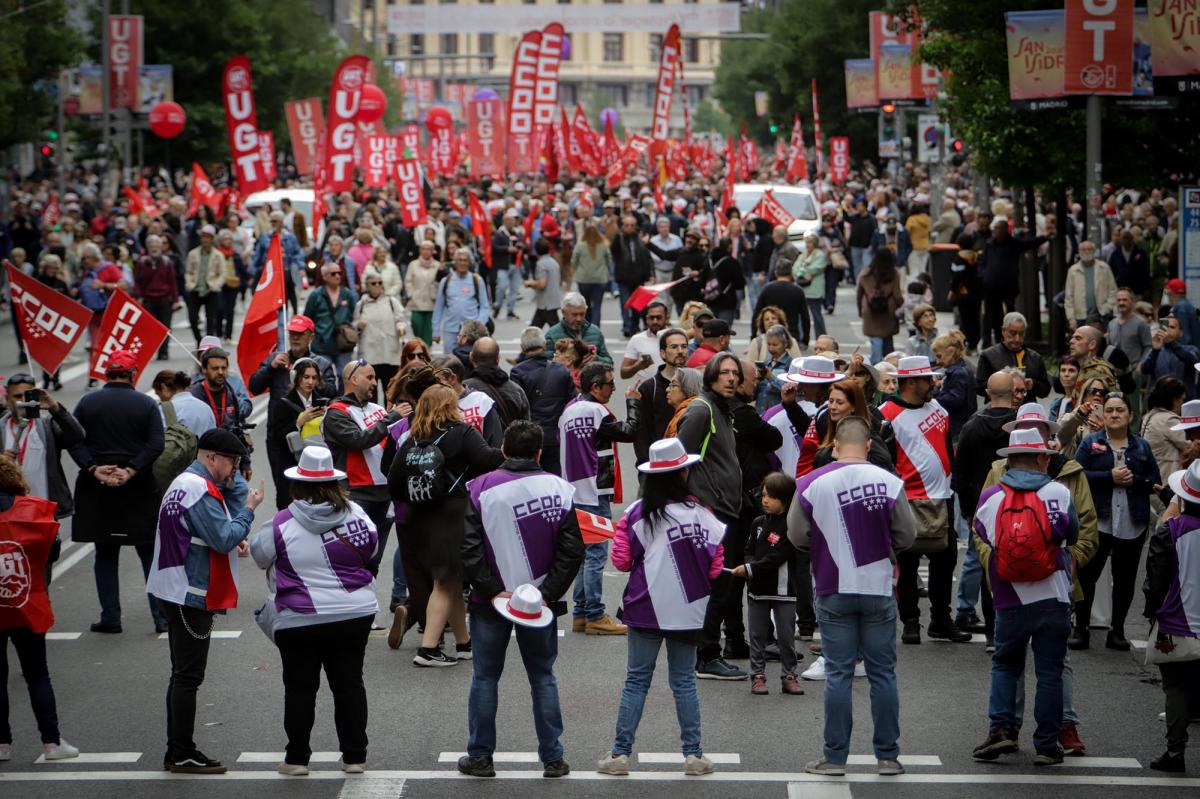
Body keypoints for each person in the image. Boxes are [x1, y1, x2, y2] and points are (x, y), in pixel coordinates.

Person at [789, 416, 916, 777]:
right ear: (870, 446)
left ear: (834, 446)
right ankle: (888, 757)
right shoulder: (890, 482)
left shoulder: (811, 482)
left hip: (832, 584)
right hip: (877, 586)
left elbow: (797, 534)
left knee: (839, 674)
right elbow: (907, 535)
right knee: (883, 674)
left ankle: (834, 757)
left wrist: (822, 550)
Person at [458, 421, 584, 779]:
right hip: (538, 605)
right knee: (543, 676)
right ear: (540, 453)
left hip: (490, 601)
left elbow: (468, 549)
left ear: (503, 450)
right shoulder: (561, 489)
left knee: (485, 677)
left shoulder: (480, 487)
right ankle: (553, 758)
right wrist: (545, 594)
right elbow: (572, 550)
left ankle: (480, 757)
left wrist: (489, 588)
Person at [597, 437, 725, 778]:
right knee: (684, 681)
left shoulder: (638, 514)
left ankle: (620, 755)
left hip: (645, 607)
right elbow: (715, 567)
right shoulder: (702, 513)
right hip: (689, 609)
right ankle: (694, 755)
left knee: (636, 681)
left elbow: (622, 561)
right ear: (683, 473)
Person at [250, 445, 378, 777]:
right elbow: (372, 548)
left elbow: (260, 555)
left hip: (299, 616)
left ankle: (296, 759)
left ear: (298, 484)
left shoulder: (282, 522)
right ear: (336, 483)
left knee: (300, 688)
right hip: (354, 612)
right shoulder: (358, 514)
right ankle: (354, 756)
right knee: (349, 683)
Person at [147, 429, 263, 774]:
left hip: (175, 586)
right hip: (188, 591)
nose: (235, 470)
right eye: (232, 462)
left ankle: (178, 750)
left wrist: (231, 533)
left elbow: (202, 532)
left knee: (181, 675)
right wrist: (248, 511)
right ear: (212, 457)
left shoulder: (186, 482)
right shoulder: (200, 489)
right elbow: (223, 537)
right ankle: (181, 752)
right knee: (188, 676)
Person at [970, 427, 1079, 767]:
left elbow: (983, 533)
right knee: (1049, 670)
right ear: (1041, 458)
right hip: (1054, 593)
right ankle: (1047, 744)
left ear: (1010, 460)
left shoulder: (992, 497)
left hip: (1008, 594)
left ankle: (1001, 728)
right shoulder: (1058, 492)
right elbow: (1071, 533)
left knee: (1005, 664)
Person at [388, 385, 503, 667]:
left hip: (419, 517)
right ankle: (428, 649)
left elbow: (392, 479)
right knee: (444, 582)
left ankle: (464, 644)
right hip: (452, 515)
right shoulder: (461, 432)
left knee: (451, 579)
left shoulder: (413, 438)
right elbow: (488, 460)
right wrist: (508, 451)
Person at [68, 350, 168, 634]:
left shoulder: (88, 402)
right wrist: (132, 469)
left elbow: (73, 440)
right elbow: (156, 444)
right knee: (148, 552)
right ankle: (160, 618)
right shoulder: (146, 404)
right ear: (133, 374)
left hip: (97, 489)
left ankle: (111, 617)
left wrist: (93, 468)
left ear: (106, 374)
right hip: (137, 489)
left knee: (105, 553)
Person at [879, 355, 970, 644]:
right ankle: (910, 622)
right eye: (927, 378)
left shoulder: (938, 409)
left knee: (945, 561)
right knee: (907, 563)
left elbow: (947, 450)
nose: (933, 383)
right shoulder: (886, 414)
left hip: (943, 497)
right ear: (911, 382)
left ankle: (941, 620)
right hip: (907, 499)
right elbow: (884, 461)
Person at [0, 454, 79, 763]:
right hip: (26, 603)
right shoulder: (33, 511)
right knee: (37, 674)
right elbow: (52, 549)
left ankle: (2, 744)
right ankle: (51, 742)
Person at [675, 354, 748, 679]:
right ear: (711, 377)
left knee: (721, 584)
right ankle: (706, 655)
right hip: (709, 511)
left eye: (735, 373)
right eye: (724, 373)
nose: (731, 378)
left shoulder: (722, 409)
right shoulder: (701, 410)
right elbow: (678, 460)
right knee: (717, 584)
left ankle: (704, 651)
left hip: (725, 509)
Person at [1073, 392, 1161, 650]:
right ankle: (1081, 628)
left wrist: (1134, 480)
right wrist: (1107, 477)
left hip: (1132, 523)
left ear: (1130, 416)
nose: (1113, 415)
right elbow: (1077, 476)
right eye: (1109, 410)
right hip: (1098, 521)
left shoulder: (1141, 446)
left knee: (1125, 580)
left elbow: (1153, 482)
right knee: (1087, 577)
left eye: (1119, 410)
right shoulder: (1090, 443)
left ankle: (1117, 631)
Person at [560, 362, 640, 635]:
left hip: (574, 490)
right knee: (595, 555)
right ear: (595, 386)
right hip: (594, 491)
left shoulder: (569, 410)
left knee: (585, 554)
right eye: (609, 383)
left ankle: (582, 613)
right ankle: (594, 614)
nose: (614, 388)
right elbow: (630, 432)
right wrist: (632, 403)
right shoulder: (597, 412)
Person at [1142, 460, 1200, 773]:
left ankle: (1175, 752)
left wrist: (1152, 613)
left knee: (1175, 687)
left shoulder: (1171, 531)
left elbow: (1155, 581)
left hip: (1174, 623)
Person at [323, 359, 403, 582]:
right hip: (356, 494)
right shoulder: (336, 413)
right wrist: (392, 419)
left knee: (374, 559)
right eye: (369, 378)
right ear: (353, 379)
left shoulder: (378, 410)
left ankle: (367, 611)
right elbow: (358, 440)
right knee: (353, 557)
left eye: (374, 378)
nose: (374, 383)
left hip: (384, 493)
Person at [952, 371, 1018, 634]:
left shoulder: (972, 426)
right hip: (1016, 502)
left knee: (975, 557)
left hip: (980, 504)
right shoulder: (1020, 426)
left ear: (988, 393)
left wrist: (968, 510)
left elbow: (961, 471)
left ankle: (965, 610)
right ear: (1014, 393)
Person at [249, 315, 339, 508]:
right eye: (292, 334)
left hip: (314, 439)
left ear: (311, 337)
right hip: (279, 436)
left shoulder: (321, 363)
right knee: (285, 489)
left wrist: (313, 381)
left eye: (300, 334)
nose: (295, 338)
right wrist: (271, 368)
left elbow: (333, 393)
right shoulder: (277, 358)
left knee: (316, 489)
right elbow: (254, 386)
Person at [732, 471, 804, 696]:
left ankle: (789, 675)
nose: (765, 500)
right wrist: (748, 565)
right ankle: (758, 676)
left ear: (785, 499)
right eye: (763, 495)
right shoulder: (757, 523)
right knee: (757, 636)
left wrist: (751, 568)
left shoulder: (792, 527)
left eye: (771, 496)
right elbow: (749, 551)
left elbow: (778, 556)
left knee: (785, 637)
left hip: (784, 592)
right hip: (757, 592)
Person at [0, 375, 85, 537]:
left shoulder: (48, 426)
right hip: (7, 513)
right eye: (17, 396)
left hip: (43, 511)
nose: (23, 400)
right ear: (7, 399)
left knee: (45, 560)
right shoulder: (1, 428)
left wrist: (55, 408)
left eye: (28, 395)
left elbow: (77, 437)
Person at [511, 327, 576, 477]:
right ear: (545, 344)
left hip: (529, 438)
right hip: (557, 436)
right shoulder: (562, 371)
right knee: (555, 479)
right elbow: (572, 403)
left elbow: (516, 406)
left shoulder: (517, 372)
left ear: (522, 348)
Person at [974, 312, 1052, 400]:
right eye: (1013, 333)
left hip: (1026, 409)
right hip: (999, 409)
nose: (1017, 338)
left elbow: (1045, 390)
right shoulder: (988, 356)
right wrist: (1002, 383)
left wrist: (1033, 384)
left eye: (1021, 334)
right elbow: (979, 388)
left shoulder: (1035, 357)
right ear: (1003, 331)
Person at [354, 270, 406, 401]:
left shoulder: (392, 302)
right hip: (370, 354)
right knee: (370, 392)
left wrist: (401, 325)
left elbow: (402, 318)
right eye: (373, 283)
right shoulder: (361, 304)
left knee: (391, 391)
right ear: (367, 286)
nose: (377, 285)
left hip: (390, 353)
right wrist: (357, 325)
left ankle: (392, 418)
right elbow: (353, 325)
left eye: (380, 283)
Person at [432, 249, 491, 356]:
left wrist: (477, 325)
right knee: (450, 362)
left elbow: (484, 307)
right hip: (450, 329)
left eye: (465, 260)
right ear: (454, 261)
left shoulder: (477, 280)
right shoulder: (446, 281)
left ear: (469, 262)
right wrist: (435, 331)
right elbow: (438, 307)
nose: (462, 263)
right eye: (459, 260)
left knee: (470, 361)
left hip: (470, 333)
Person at [304, 262, 357, 376]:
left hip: (343, 344)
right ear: (324, 276)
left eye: (339, 273)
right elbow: (307, 318)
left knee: (346, 376)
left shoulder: (347, 294)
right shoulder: (316, 295)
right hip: (321, 345)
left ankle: (342, 395)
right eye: (333, 273)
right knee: (323, 378)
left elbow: (354, 314)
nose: (337, 276)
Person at [465, 337, 531, 428]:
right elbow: (526, 426)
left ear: (471, 357)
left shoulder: (464, 390)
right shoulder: (516, 390)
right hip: (508, 441)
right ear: (498, 358)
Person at [135, 234, 179, 360]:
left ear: (161, 247)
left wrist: (175, 300)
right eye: (151, 245)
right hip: (148, 299)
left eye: (157, 245)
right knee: (150, 328)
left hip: (165, 298)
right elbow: (137, 281)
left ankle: (163, 351)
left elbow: (173, 282)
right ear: (147, 247)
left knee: (165, 327)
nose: (154, 248)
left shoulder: (167, 262)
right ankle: (151, 350)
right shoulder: (142, 262)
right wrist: (139, 296)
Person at [857, 248, 905, 364]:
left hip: (870, 311)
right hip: (888, 311)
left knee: (876, 340)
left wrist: (861, 310)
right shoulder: (893, 274)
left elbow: (859, 294)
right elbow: (897, 295)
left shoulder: (866, 274)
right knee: (888, 341)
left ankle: (876, 367)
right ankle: (890, 366)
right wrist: (901, 307)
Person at [252, 210, 305, 315]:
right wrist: (253, 273)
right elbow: (257, 256)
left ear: (281, 222)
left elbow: (297, 253)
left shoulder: (290, 237)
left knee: (288, 294)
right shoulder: (265, 237)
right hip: (270, 274)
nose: (273, 224)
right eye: (271, 221)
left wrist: (301, 267)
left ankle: (293, 313)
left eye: (275, 221)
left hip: (285, 271)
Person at [183, 225, 226, 348]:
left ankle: (208, 344)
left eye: (208, 237)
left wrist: (216, 285)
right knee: (192, 318)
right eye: (203, 237)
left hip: (211, 290)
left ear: (212, 239)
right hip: (195, 290)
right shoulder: (193, 254)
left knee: (210, 319)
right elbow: (188, 271)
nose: (205, 240)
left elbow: (222, 273)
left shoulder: (218, 255)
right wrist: (190, 283)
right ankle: (198, 339)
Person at [1142, 377, 1189, 487]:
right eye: (1182, 400)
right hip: (1167, 482)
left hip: (1155, 480)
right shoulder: (1169, 420)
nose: (1183, 403)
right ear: (1174, 399)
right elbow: (1191, 445)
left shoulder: (1150, 415)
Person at [611, 215, 653, 337]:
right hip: (624, 278)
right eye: (627, 225)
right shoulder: (619, 239)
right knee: (625, 303)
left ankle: (634, 325)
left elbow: (646, 258)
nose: (629, 228)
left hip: (638, 278)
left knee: (638, 304)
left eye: (632, 225)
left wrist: (649, 274)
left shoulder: (640, 240)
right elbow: (613, 250)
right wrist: (618, 236)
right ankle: (627, 326)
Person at [1141, 314, 1200, 399]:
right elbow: (1145, 370)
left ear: (1181, 333)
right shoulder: (1155, 350)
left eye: (1172, 327)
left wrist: (1171, 343)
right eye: (1165, 327)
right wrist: (1155, 350)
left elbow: (1193, 362)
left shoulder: (1190, 349)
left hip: (1184, 400)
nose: (1167, 330)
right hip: (1161, 401)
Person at [545, 292, 613, 366]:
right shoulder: (552, 335)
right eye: (574, 315)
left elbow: (609, 362)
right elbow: (546, 364)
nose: (579, 319)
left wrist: (597, 359)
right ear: (563, 312)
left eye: (582, 314)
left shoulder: (595, 332)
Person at [1063, 240, 1117, 331]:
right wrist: (1071, 319)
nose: (1086, 252)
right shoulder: (1073, 270)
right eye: (1083, 250)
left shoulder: (1104, 267)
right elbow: (1069, 297)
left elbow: (1113, 290)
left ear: (1094, 251)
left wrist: (1107, 308)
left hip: (1102, 314)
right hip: (1080, 317)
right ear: (1079, 252)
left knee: (1102, 342)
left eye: (1089, 249)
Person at [932, 333, 977, 442]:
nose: (938, 361)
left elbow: (953, 400)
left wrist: (934, 391)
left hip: (958, 428)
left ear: (951, 352)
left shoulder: (958, 373)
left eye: (939, 356)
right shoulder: (960, 370)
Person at [572, 222, 614, 326]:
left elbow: (574, 261)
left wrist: (575, 270)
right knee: (597, 305)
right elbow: (609, 260)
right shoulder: (603, 245)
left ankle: (587, 324)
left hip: (583, 279)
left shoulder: (580, 245)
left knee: (586, 305)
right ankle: (595, 327)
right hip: (600, 279)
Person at [620, 300, 668, 385]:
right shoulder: (637, 339)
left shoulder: (676, 337)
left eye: (659, 317)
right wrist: (638, 366)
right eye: (651, 318)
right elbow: (623, 373)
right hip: (644, 394)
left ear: (667, 318)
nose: (655, 321)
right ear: (646, 319)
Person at [490, 209, 527, 321]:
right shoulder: (499, 234)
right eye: (510, 220)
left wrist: (521, 246)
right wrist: (507, 249)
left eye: (513, 220)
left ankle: (510, 310)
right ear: (505, 221)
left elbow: (524, 246)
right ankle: (498, 305)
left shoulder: (518, 232)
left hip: (516, 264)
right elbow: (494, 248)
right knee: (502, 286)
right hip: (503, 265)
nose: (512, 222)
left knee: (514, 289)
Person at [404, 240, 441, 345]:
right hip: (416, 301)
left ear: (432, 251)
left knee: (428, 328)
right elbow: (408, 281)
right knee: (416, 324)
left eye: (428, 249)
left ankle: (427, 348)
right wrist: (411, 294)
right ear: (420, 250)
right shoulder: (413, 264)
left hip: (431, 301)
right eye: (423, 249)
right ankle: (419, 345)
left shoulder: (437, 265)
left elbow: (440, 282)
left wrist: (436, 293)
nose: (426, 252)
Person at [794, 233, 828, 338]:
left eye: (810, 242)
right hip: (801, 289)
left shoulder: (820, 255)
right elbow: (795, 268)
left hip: (814, 290)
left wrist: (803, 271)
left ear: (815, 244)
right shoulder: (803, 255)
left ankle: (821, 336)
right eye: (806, 242)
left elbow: (817, 268)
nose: (807, 245)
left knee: (816, 315)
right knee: (801, 316)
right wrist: (801, 273)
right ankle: (801, 337)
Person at [525, 238, 563, 329]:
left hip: (545, 303)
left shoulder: (541, 264)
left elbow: (542, 284)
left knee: (555, 331)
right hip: (553, 301)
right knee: (535, 328)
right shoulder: (554, 262)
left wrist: (530, 284)